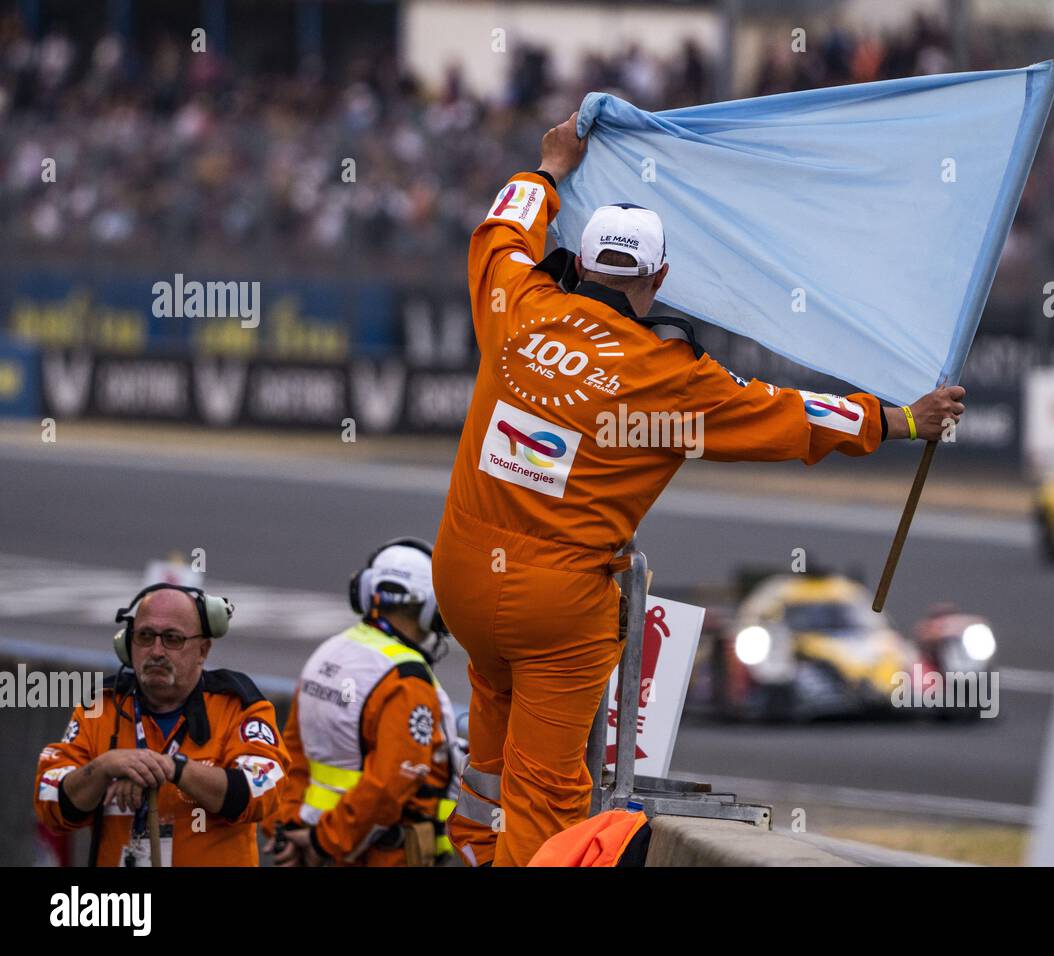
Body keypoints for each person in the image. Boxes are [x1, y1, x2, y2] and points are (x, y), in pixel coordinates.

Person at [432, 111, 967, 866]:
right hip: (555, 608)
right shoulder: (673, 382)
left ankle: (465, 857)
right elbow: (789, 416)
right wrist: (901, 420)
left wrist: (548, 168)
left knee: (488, 754)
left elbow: (499, 232)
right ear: (657, 279)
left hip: (461, 575)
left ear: (579, 264)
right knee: (548, 794)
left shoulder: (517, 308)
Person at [34, 584, 289, 866]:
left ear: (202, 650)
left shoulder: (238, 705)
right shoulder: (100, 708)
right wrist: (105, 768)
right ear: (128, 643)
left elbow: (263, 791)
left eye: (172, 638)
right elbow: (50, 802)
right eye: (145, 636)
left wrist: (173, 767)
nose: (156, 651)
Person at [264, 538, 462, 866]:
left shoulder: (328, 652)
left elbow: (292, 756)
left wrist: (287, 831)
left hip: (310, 843)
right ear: (430, 606)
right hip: (376, 854)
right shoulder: (406, 679)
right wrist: (325, 842)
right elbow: (391, 783)